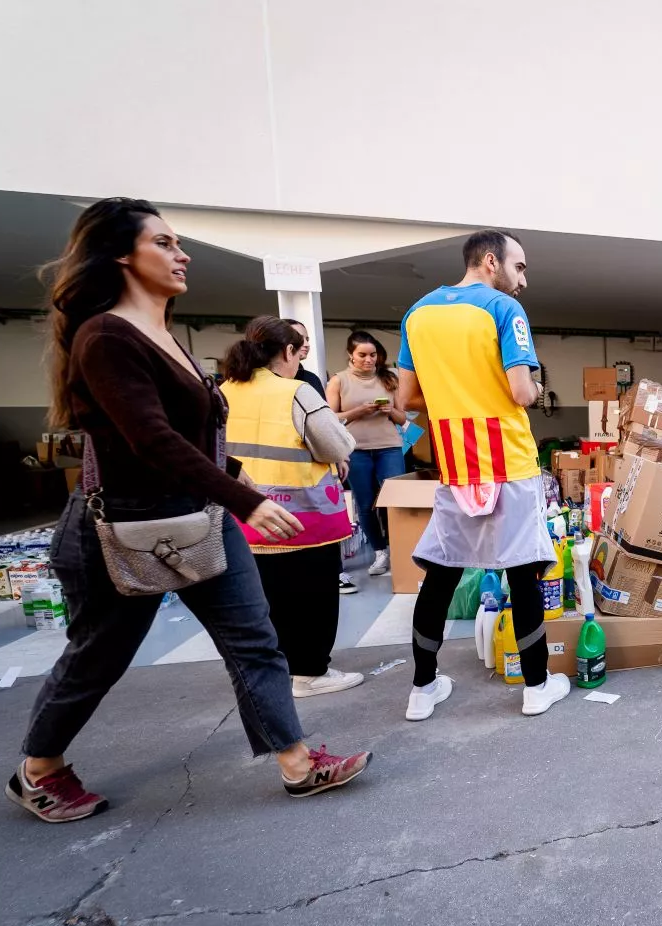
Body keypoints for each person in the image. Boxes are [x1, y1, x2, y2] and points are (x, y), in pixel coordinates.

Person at [9, 198, 370, 823]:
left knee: (255, 640)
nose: (183, 255)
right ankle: (38, 769)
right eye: (165, 243)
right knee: (100, 654)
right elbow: (148, 437)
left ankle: (297, 762)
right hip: (125, 528)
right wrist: (245, 498)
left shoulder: (164, 335)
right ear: (122, 254)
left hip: (199, 517)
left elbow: (192, 436)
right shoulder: (105, 336)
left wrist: (230, 479)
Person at [395, 229, 568, 721]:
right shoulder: (503, 309)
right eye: (520, 267)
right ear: (491, 262)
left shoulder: (417, 314)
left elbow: (406, 400)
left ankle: (422, 689)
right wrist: (530, 384)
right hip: (508, 462)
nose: (524, 281)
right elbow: (521, 392)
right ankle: (536, 686)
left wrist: (456, 398)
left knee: (442, 575)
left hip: (456, 466)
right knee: (523, 574)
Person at [222, 317, 365, 697]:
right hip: (301, 518)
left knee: (268, 599)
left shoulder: (224, 391)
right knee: (313, 598)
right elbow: (336, 445)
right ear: (286, 351)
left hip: (245, 515)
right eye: (297, 347)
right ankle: (311, 672)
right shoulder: (295, 391)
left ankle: (281, 671)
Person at [327, 331, 406, 589]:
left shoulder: (390, 378)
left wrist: (389, 410)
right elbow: (329, 419)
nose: (369, 360)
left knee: (396, 500)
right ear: (351, 354)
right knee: (365, 503)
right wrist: (358, 411)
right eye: (362, 355)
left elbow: (403, 418)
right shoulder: (338, 381)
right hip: (355, 449)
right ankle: (380, 551)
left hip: (389, 447)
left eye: (373, 355)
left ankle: (403, 550)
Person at [284, 319, 327, 395]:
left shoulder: (311, 378)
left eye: (307, 339)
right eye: (299, 338)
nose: (307, 344)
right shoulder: (266, 377)